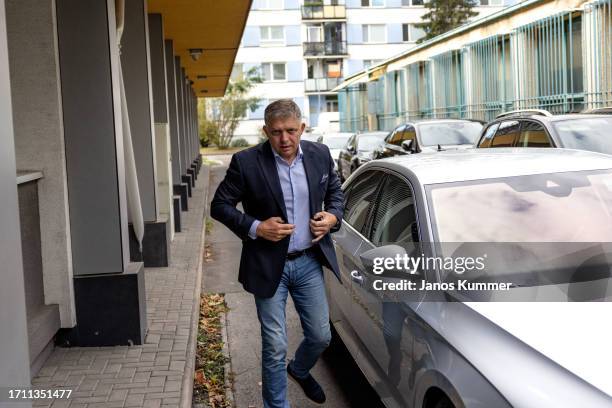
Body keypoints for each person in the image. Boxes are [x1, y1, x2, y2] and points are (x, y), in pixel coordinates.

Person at [210, 99, 344, 408]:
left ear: (302, 128)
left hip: (309, 261)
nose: (284, 139)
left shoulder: (319, 154)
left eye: (291, 131)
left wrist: (333, 217)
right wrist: (257, 227)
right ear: (265, 131)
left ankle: (298, 369)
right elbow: (220, 206)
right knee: (274, 345)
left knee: (321, 336)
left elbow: (335, 192)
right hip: (268, 265)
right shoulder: (246, 162)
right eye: (276, 133)